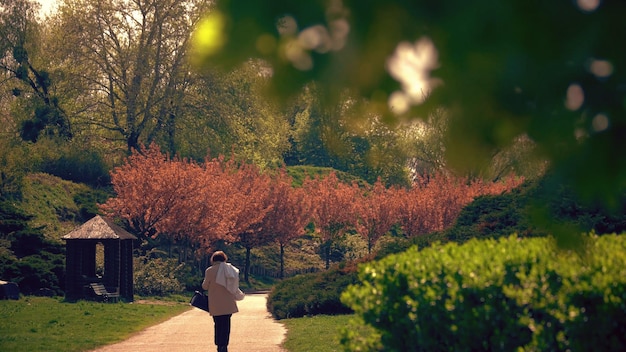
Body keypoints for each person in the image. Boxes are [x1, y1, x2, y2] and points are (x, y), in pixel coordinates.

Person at [202, 251, 245, 352]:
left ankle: (218, 344)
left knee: (217, 323)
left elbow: (205, 286)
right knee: (226, 324)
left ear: (213, 259)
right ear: (224, 258)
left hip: (215, 303)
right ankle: (224, 345)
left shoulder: (210, 270)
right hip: (228, 302)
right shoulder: (231, 270)